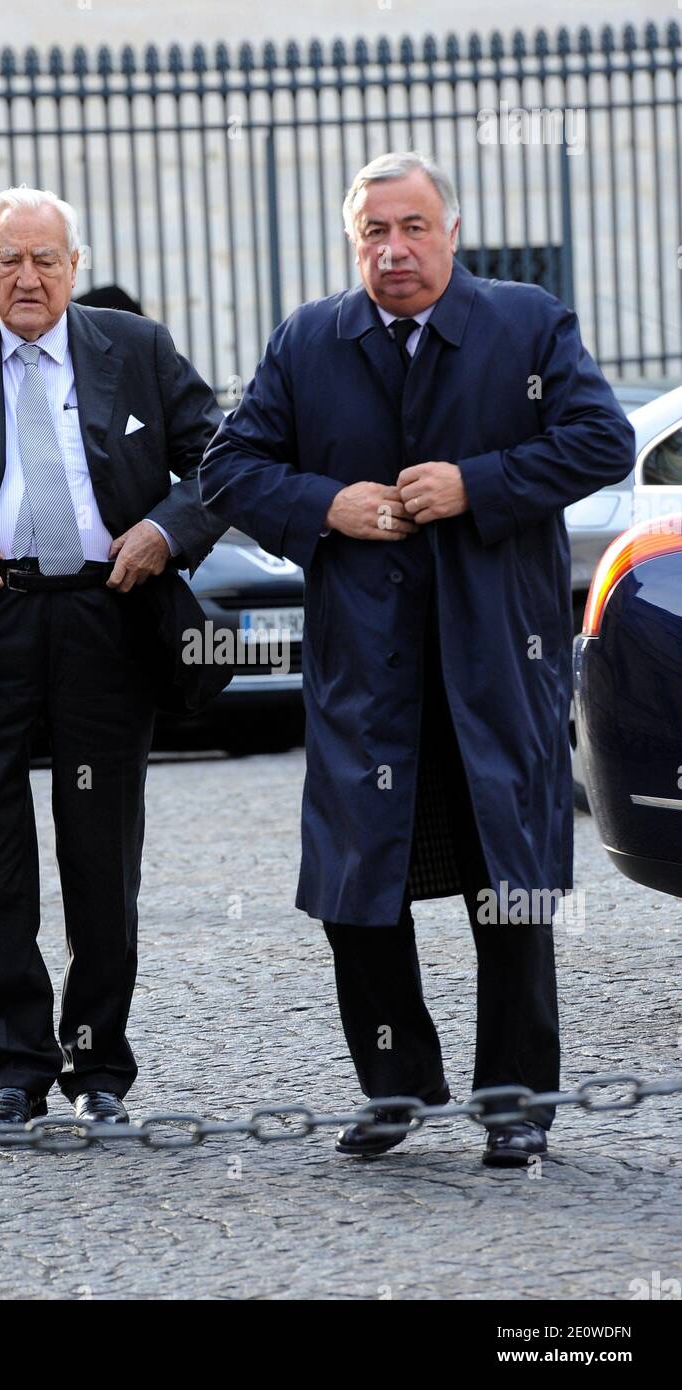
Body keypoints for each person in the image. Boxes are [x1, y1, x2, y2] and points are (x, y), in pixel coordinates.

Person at [199, 151, 636, 1166]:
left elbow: (600, 441)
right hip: (367, 669)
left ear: (448, 228)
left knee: (510, 882)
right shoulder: (309, 338)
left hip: (496, 660)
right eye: (372, 234)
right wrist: (328, 504)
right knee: (359, 887)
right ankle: (396, 1083)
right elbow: (229, 468)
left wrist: (477, 483)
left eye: (412, 227)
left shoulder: (527, 321)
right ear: (352, 242)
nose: (393, 250)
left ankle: (515, 1100)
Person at [0, 186, 225, 1127]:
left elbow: (224, 459)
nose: (28, 277)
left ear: (72, 264)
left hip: (107, 615)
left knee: (102, 854)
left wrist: (164, 533)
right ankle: (12, 1068)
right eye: (9, 259)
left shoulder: (133, 350)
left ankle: (99, 1068)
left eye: (45, 259)